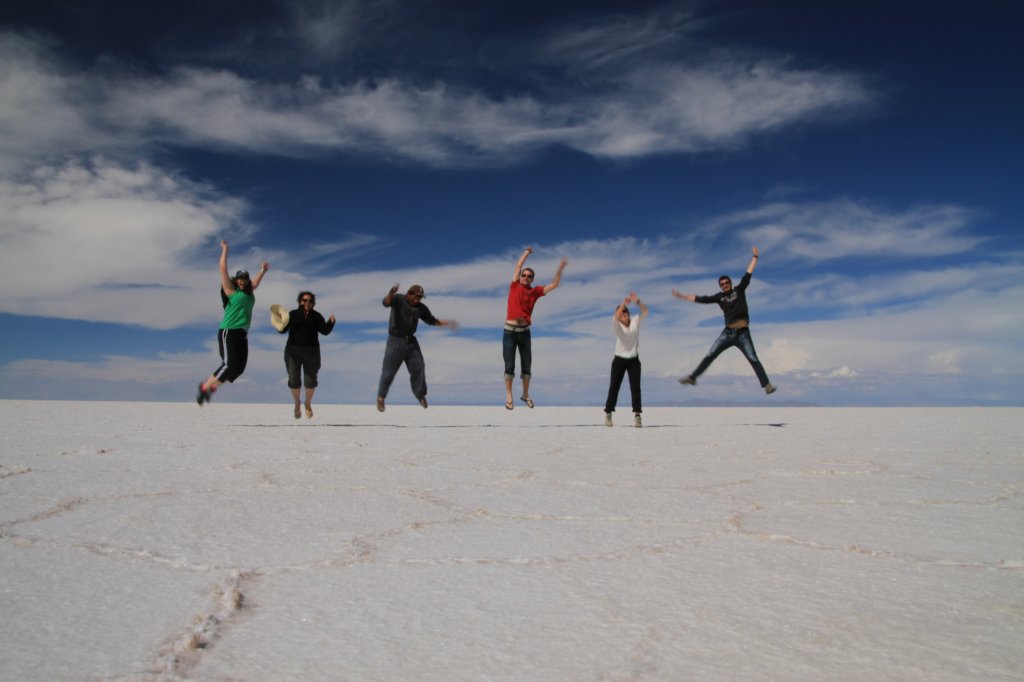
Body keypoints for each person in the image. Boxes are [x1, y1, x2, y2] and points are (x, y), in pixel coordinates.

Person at [671, 246, 776, 394]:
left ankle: (767, 385)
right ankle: (693, 377)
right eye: (722, 284)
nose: (725, 285)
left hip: (743, 333)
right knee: (710, 354)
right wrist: (682, 296)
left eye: (727, 283)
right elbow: (702, 299)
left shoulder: (739, 290)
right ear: (720, 286)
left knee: (753, 358)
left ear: (731, 284)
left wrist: (755, 258)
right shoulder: (719, 297)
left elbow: (748, 274)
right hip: (727, 333)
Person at [197, 240, 269, 405]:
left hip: (242, 334)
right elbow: (222, 268)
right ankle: (204, 387)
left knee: (238, 368)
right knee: (229, 364)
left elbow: (255, 283)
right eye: (240, 278)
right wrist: (225, 249)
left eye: (245, 278)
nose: (243, 281)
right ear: (236, 280)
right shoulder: (231, 291)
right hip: (229, 331)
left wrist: (263, 271)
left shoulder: (250, 292)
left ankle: (212, 388)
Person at [503, 247, 568, 410]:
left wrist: (560, 268)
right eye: (524, 275)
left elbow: (555, 284)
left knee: (527, 367)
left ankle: (525, 395)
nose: (525, 277)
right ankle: (509, 395)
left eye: (529, 276)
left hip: (525, 334)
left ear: (532, 279)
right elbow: (518, 267)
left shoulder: (535, 292)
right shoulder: (514, 286)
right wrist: (526, 253)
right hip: (509, 332)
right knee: (509, 367)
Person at [376, 284, 458, 412]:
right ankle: (381, 398)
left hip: (411, 342)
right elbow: (386, 303)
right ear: (409, 294)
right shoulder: (398, 299)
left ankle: (420, 395)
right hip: (395, 341)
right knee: (389, 371)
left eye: (420, 297)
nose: (418, 299)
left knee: (419, 366)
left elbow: (431, 320)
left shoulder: (421, 308)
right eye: (416, 296)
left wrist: (447, 323)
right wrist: (391, 292)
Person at [274, 291, 336, 419]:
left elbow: (324, 331)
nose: (307, 303)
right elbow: (283, 330)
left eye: (310, 301)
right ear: (299, 301)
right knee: (293, 379)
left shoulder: (317, 316)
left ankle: (308, 403)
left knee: (310, 379)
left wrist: (331, 322)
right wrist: (279, 323)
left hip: (312, 351)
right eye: (304, 300)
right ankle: (297, 403)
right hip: (293, 350)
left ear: (313, 303)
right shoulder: (292, 314)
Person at [604, 292, 648, 427]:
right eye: (620, 313)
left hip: (634, 360)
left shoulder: (635, 321)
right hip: (619, 360)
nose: (623, 314)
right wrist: (623, 303)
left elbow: (645, 311)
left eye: (625, 312)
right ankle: (608, 414)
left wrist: (637, 301)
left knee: (635, 388)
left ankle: (637, 415)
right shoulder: (617, 326)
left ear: (628, 313)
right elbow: (615, 317)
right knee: (614, 388)